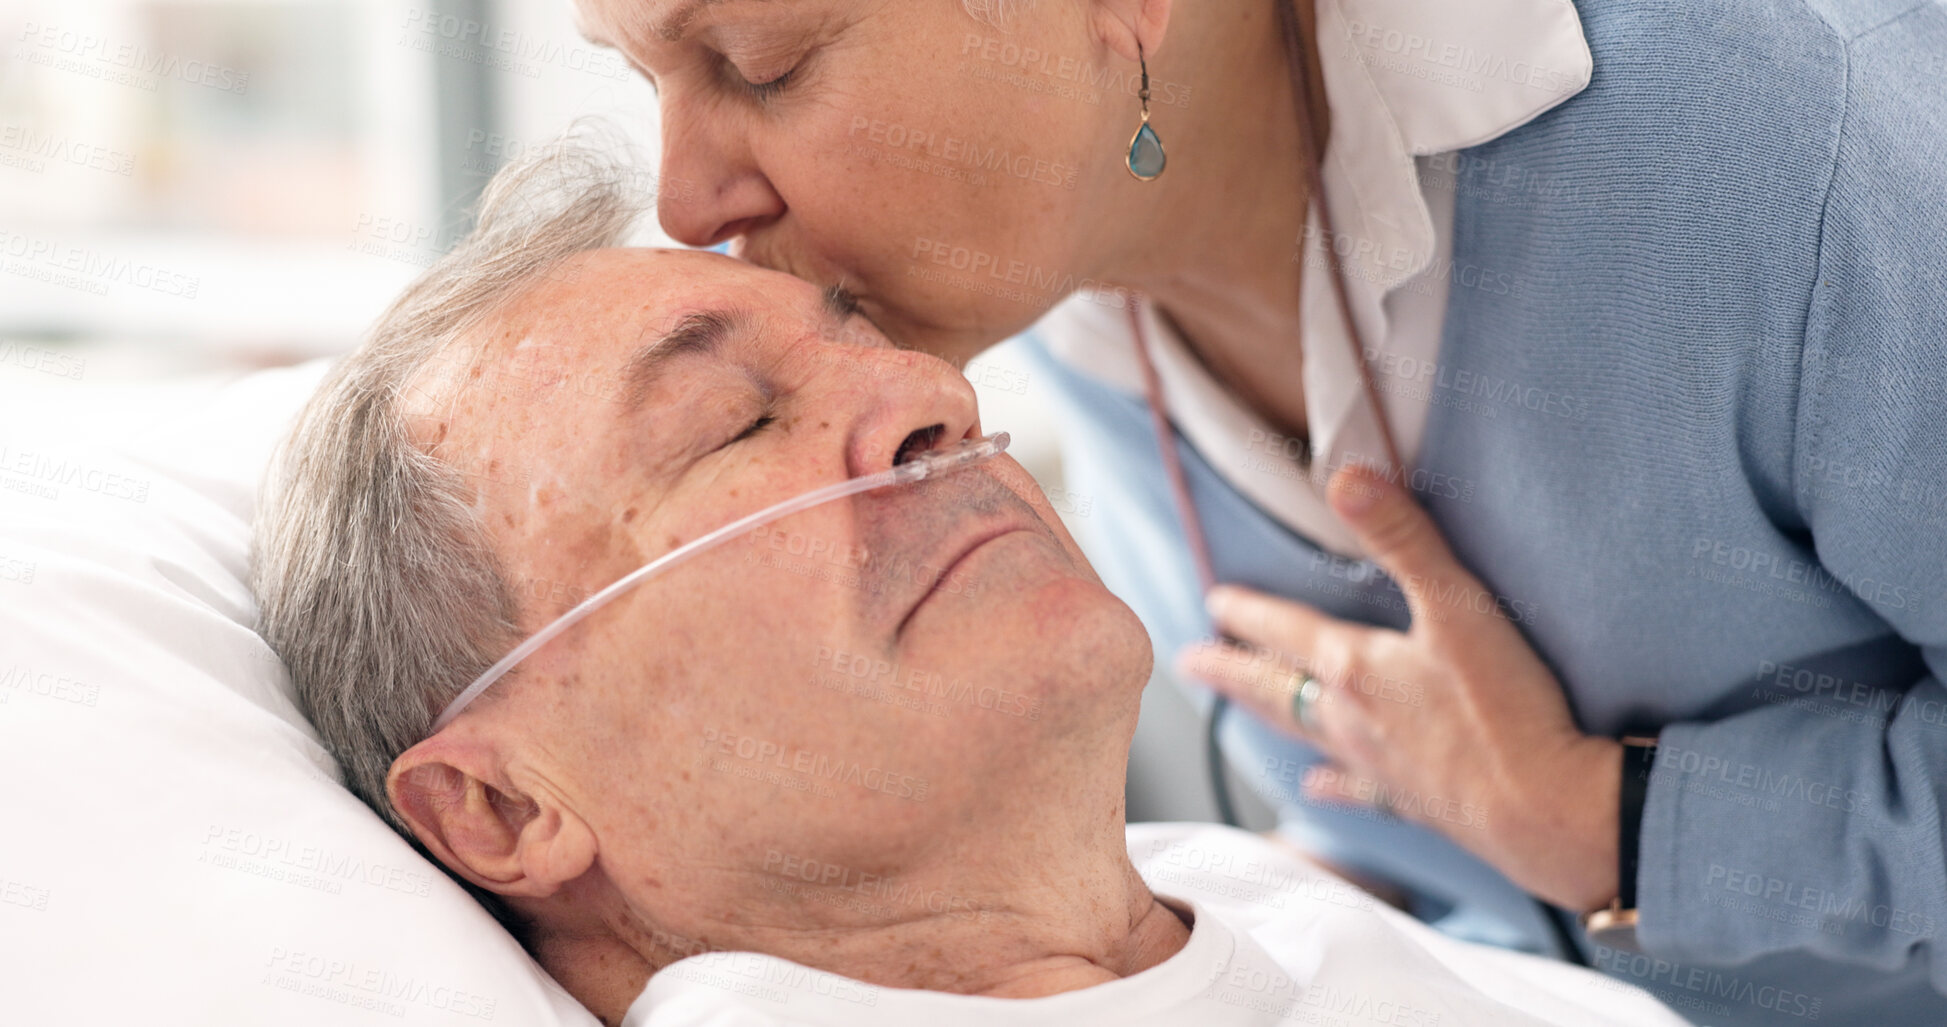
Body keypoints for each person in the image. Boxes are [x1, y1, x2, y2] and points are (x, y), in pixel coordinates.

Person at [573, 0, 1947, 1020]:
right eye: (645, 82)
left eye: (760, 63)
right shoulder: (1039, 283)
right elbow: (1401, 838)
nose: (684, 198)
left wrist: (1617, 824)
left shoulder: (1791, 127)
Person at [252, 143, 1688, 1027]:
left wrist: (1606, 837)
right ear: (506, 809)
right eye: (734, 423)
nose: (935, 396)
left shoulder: (1260, 905)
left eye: (867, 337)